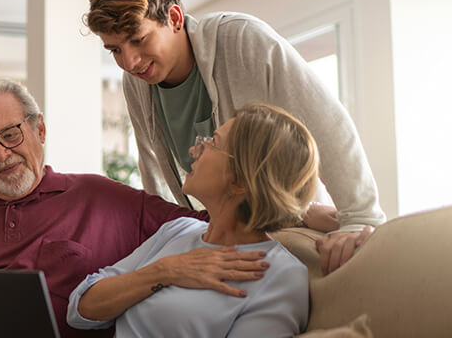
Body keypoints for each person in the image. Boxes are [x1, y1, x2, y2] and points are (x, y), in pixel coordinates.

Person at [0, 78, 271, 338]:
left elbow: (214, 223)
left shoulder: (104, 198)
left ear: (39, 129)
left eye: (10, 135)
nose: (1, 155)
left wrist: (306, 218)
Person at [86, 0, 384, 275]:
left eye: (138, 39)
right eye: (115, 50)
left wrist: (359, 218)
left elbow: (327, 122)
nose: (129, 61)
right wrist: (167, 247)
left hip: (286, 230)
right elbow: (154, 175)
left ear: (173, 18)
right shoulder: (137, 84)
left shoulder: (242, 39)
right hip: (218, 238)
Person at [68, 104, 317, 337]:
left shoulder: (281, 275)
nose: (193, 150)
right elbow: (81, 309)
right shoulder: (179, 230)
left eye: (213, 143)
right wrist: (165, 271)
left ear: (242, 180)